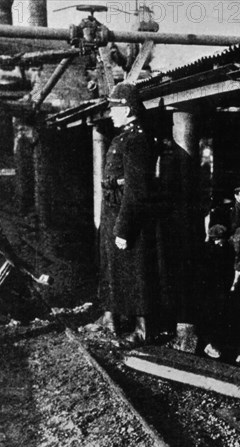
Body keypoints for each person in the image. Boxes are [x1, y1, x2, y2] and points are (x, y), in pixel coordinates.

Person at [97, 82, 159, 348]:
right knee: (114, 268)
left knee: (136, 272)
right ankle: (112, 319)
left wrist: (124, 228)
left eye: (115, 108)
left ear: (129, 110)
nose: (111, 113)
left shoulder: (137, 140)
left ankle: (143, 329)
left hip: (127, 213)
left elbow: (137, 190)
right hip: (114, 208)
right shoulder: (122, 137)